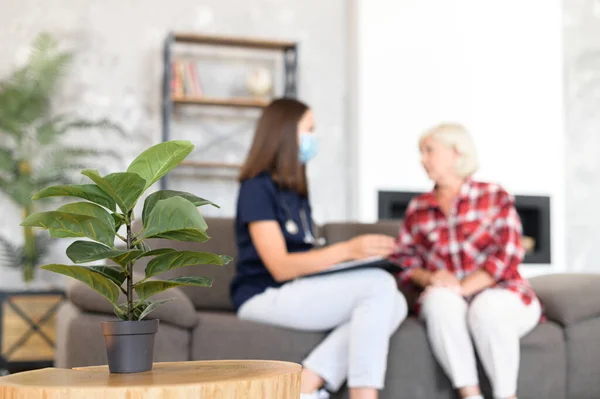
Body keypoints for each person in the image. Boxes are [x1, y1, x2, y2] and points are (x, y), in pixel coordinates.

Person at [230, 98, 408, 399]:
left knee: (396, 302)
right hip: (262, 295)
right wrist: (349, 250)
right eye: (309, 130)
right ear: (285, 133)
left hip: (298, 288)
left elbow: (306, 256)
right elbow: (280, 266)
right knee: (379, 286)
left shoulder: (295, 191)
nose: (313, 139)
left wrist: (355, 260)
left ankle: (307, 384)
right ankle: (363, 394)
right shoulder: (256, 188)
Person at [389, 123, 542, 399]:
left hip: (500, 292)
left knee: (485, 308)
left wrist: (465, 286)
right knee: (437, 300)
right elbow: (403, 261)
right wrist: (429, 278)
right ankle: (470, 395)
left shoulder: (494, 195)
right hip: (448, 297)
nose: (422, 159)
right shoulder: (418, 208)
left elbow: (508, 254)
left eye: (429, 151)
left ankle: (506, 396)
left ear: (456, 154)